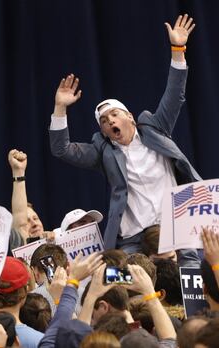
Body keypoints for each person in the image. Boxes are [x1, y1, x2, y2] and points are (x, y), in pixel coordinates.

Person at [49, 14, 200, 255]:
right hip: (134, 239)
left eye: (114, 115)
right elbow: (61, 149)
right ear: (104, 132)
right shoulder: (103, 151)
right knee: (126, 287)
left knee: (188, 283)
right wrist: (60, 108)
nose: (110, 122)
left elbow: (174, 94)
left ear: (129, 116)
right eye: (104, 122)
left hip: (175, 229)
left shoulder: (155, 128)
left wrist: (178, 49)